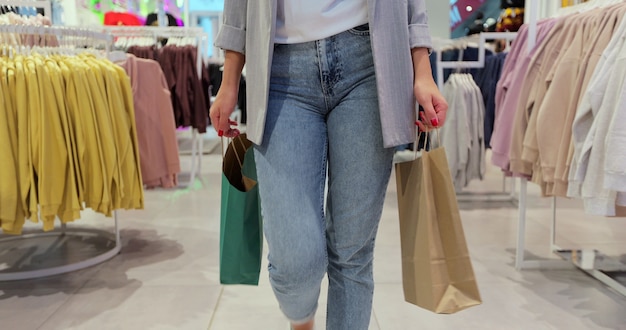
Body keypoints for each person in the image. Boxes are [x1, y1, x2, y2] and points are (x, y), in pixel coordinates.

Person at [210, 1, 447, 329]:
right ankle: (301, 319)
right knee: (295, 265)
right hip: (279, 68)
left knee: (352, 255)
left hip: (370, 63)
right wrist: (230, 77)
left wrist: (422, 69)